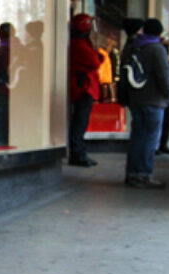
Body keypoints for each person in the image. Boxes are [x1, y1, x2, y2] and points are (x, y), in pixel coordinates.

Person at [123, 18, 169, 188]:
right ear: (159, 33)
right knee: (150, 139)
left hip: (137, 99)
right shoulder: (157, 49)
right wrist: (168, 94)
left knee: (137, 137)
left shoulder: (135, 46)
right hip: (154, 100)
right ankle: (144, 174)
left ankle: (132, 173)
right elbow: (163, 76)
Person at [67, 14, 102, 167]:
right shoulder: (79, 44)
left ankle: (79, 151)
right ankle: (77, 153)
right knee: (80, 122)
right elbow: (95, 61)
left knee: (80, 121)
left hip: (83, 86)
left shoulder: (80, 43)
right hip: (83, 88)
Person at [156, 38, 169, 155]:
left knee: (168, 121)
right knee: (157, 121)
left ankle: (163, 144)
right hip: (157, 96)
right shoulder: (157, 63)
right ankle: (155, 146)